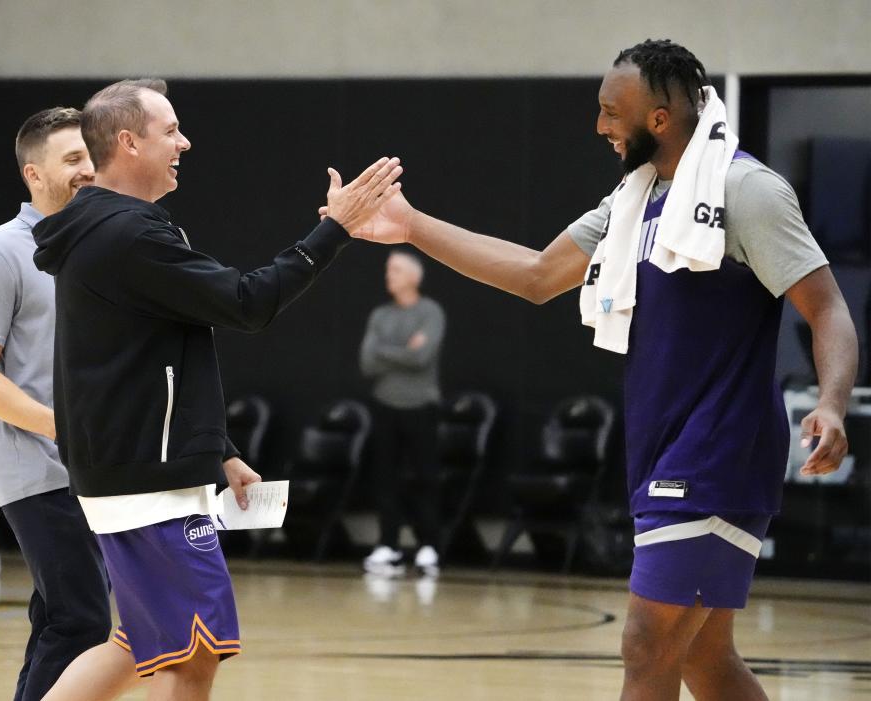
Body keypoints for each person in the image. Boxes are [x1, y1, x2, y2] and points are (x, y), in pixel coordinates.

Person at [330, 39, 858, 701]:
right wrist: (410, 225)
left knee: (644, 644)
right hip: (664, 447)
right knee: (704, 656)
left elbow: (827, 306)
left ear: (660, 119)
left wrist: (832, 402)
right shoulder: (632, 201)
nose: (600, 125)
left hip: (717, 450)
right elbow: (536, 274)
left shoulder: (745, 189)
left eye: (613, 112)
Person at [31, 79, 402, 701]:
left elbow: (151, 355)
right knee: (193, 651)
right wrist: (334, 229)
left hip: (132, 472)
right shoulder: (129, 236)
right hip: (145, 481)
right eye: (170, 130)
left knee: (140, 642)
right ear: (127, 142)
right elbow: (246, 302)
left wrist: (217, 448)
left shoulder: (110, 229)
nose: (185, 141)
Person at [0, 107, 113, 701]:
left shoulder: (98, 244)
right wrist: (61, 427)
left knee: (59, 619)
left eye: (91, 158)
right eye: (73, 159)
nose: (87, 170)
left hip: (100, 470)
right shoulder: (1, 252)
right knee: (82, 620)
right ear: (33, 173)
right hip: (38, 470)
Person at [360, 250, 445, 577]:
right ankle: (388, 545)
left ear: (413, 276)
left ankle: (429, 546)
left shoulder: (430, 312)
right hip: (385, 405)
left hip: (421, 405)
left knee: (425, 476)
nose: (388, 275)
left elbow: (422, 357)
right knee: (386, 478)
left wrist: (386, 351)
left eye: (394, 270)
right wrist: (403, 351)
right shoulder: (380, 315)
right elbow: (368, 362)